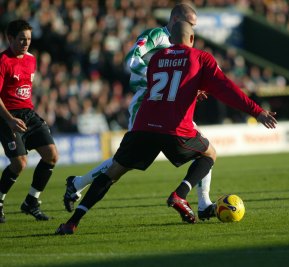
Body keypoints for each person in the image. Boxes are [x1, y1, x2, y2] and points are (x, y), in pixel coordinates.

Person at [55, 20, 277, 235]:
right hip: (175, 128)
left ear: (170, 39)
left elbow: (161, 86)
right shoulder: (201, 57)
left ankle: (72, 222)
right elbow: (226, 89)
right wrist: (256, 111)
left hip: (143, 127)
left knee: (112, 174)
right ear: (192, 38)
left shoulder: (157, 57)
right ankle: (181, 194)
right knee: (209, 154)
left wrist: (191, 89)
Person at [63, 3, 216, 221]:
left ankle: (203, 203)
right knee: (123, 161)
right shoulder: (155, 36)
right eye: (190, 24)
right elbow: (131, 60)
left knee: (202, 146)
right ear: (175, 20)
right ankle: (77, 183)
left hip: (168, 103)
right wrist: (156, 80)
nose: (193, 29)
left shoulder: (183, 46)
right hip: (146, 100)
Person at [0, 19, 58, 223]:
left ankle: (31, 202)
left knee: (51, 155)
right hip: (7, 116)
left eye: (29, 39)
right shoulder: (3, 61)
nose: (26, 43)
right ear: (10, 39)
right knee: (19, 163)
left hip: (28, 114)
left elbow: (24, 90)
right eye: (22, 39)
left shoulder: (32, 59)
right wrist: (9, 120)